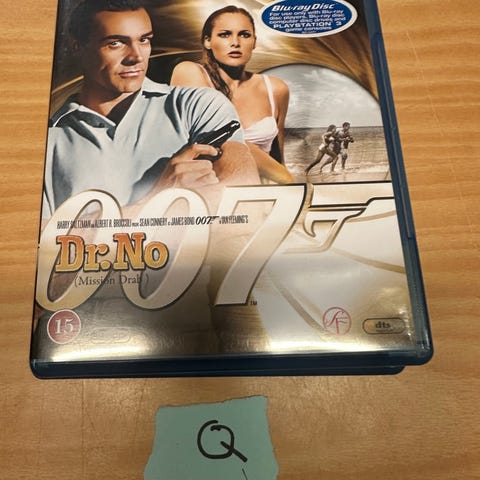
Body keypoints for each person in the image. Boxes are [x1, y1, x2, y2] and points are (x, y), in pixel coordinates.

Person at [42, 0, 259, 218]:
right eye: (115, 43)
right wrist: (158, 201)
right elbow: (48, 237)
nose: (136, 57)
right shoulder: (48, 140)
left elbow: (246, 211)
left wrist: (91, 224)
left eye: (144, 40)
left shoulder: (199, 106)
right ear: (77, 46)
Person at [170, 5, 293, 184]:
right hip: (207, 191)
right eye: (225, 34)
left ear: (254, 42)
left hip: (261, 192)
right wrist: (286, 178)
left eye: (244, 35)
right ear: (207, 41)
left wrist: (289, 188)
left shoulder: (275, 88)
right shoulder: (189, 72)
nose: (235, 42)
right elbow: (221, 137)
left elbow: (277, 158)